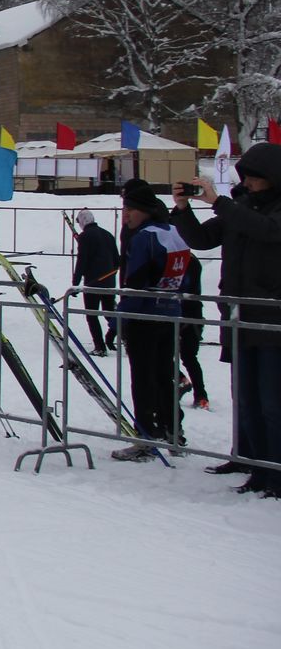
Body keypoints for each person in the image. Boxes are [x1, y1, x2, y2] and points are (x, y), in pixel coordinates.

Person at [170, 145, 281, 496]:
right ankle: (249, 458)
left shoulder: (265, 212)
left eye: (255, 178)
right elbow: (203, 239)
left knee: (271, 400)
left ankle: (274, 468)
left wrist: (219, 202)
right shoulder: (241, 206)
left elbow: (265, 230)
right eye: (245, 177)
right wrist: (184, 209)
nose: (248, 183)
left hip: (271, 321)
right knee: (244, 395)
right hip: (238, 317)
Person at [110, 185, 191, 461]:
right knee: (164, 374)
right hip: (169, 314)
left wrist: (120, 318)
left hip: (145, 316)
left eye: (129, 210)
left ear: (143, 211)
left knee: (143, 378)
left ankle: (145, 436)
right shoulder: (172, 232)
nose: (126, 216)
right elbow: (188, 276)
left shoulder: (144, 238)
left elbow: (136, 282)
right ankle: (172, 430)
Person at [71, 208, 120, 355]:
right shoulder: (107, 234)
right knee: (109, 312)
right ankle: (126, 336)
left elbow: (82, 261)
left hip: (92, 283)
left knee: (91, 315)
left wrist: (75, 282)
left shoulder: (85, 237)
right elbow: (117, 260)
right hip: (109, 281)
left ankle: (99, 347)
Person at [176, 254, 209, 411]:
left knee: (187, 356)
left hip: (186, 313)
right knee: (187, 357)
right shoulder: (189, 259)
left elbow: (186, 286)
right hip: (187, 312)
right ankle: (189, 386)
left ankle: (200, 394)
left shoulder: (186, 260)